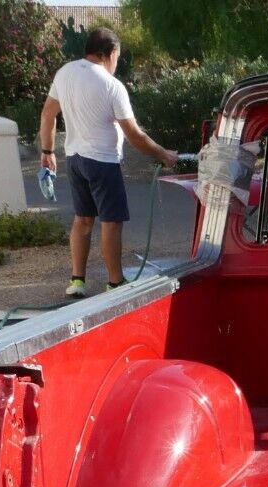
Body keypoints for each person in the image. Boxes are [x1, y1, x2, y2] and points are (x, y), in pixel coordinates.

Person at [38, 28, 177, 297]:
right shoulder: (112, 86)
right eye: (117, 56)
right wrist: (163, 154)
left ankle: (77, 280)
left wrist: (47, 150)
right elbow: (135, 135)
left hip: (75, 160)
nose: (117, 62)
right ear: (110, 53)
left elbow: (47, 114)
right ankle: (115, 282)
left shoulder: (65, 72)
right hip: (102, 162)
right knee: (111, 222)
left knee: (83, 219)